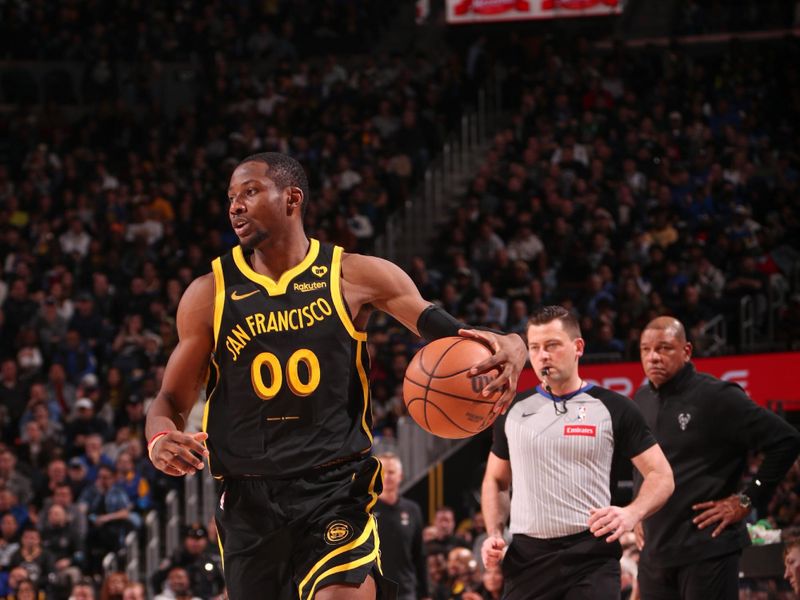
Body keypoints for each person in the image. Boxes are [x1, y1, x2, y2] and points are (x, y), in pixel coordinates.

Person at [145, 152, 528, 600]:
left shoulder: (354, 275)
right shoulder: (209, 293)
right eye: (231, 197)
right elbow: (170, 401)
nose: (235, 206)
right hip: (248, 498)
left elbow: (457, 335)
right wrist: (158, 438)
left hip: (332, 488)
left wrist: (516, 343)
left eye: (249, 192)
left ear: (292, 198)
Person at [480, 305, 674, 600]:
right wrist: (494, 533)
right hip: (526, 559)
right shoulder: (512, 410)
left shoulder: (615, 407)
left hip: (591, 556)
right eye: (535, 347)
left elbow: (662, 475)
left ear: (578, 347)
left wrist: (631, 513)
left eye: (552, 345)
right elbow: (496, 481)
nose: (542, 355)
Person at [634, 316, 800, 600]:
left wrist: (748, 498)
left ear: (686, 351)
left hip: (707, 551)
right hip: (655, 555)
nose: (654, 357)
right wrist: (638, 507)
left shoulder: (718, 397)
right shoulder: (640, 399)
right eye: (646, 350)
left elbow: (786, 439)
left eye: (664, 348)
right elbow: (642, 464)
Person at [373, 453, 429, 600]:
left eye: (391, 472)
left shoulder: (412, 509)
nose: (386, 476)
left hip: (406, 590)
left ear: (401, 476)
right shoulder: (367, 510)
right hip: (374, 591)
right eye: (382, 472)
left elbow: (419, 554)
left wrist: (425, 593)